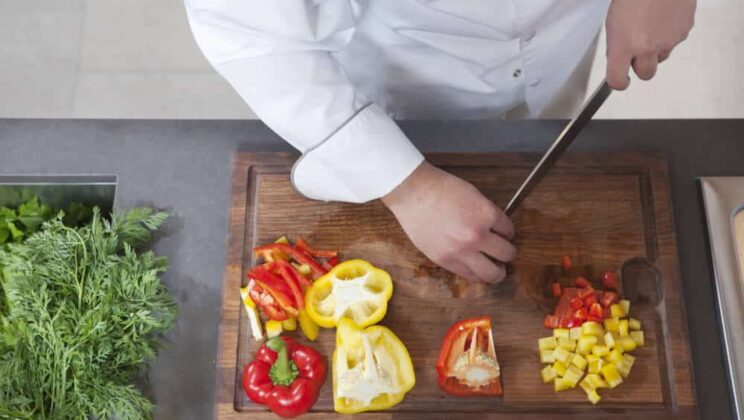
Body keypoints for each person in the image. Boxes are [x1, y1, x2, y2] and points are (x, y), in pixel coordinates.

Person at [185, 0, 695, 284]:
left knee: (548, 112)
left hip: (566, 33)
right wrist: (408, 187)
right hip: (411, 66)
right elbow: (247, 29)